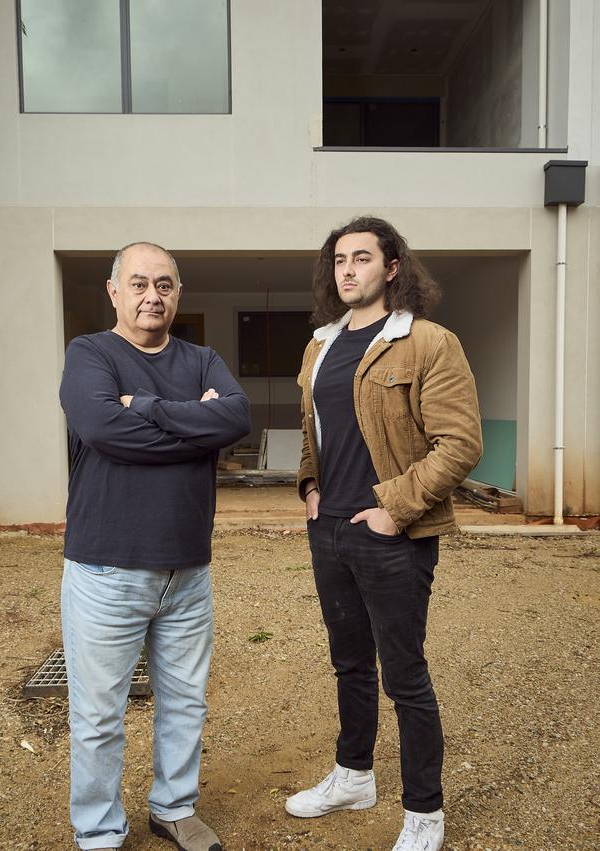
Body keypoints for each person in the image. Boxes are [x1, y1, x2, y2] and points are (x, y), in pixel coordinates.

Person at [285, 217, 482, 851]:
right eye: (338, 260)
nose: (347, 270)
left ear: (391, 268)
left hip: (391, 533)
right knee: (349, 664)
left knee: (404, 675)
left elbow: (460, 445)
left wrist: (396, 509)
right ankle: (354, 775)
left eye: (361, 258)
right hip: (330, 531)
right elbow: (314, 434)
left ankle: (425, 811)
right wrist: (310, 489)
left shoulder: (427, 343)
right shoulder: (319, 346)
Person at [59, 242, 250, 851]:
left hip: (188, 570)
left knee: (185, 702)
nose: (152, 296)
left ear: (178, 294)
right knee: (97, 715)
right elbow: (100, 429)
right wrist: (195, 425)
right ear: (113, 291)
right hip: (106, 569)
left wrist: (142, 408)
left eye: (164, 285)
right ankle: (99, 831)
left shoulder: (203, 357)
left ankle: (173, 807)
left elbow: (236, 418)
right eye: (138, 283)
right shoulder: (89, 353)